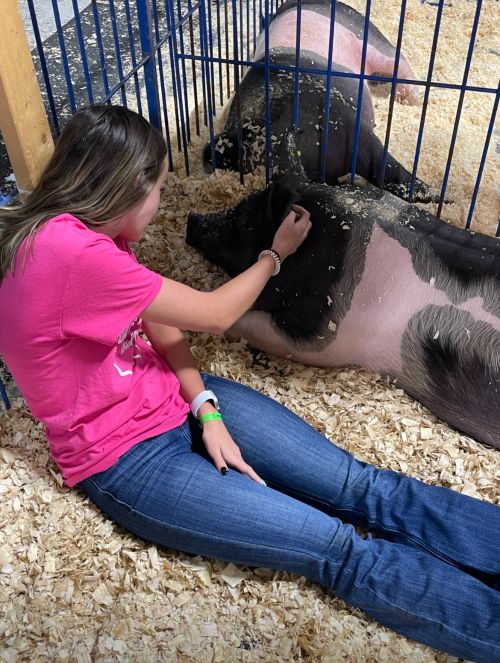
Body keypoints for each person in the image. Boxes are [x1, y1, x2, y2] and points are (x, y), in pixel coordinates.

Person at [0, 104, 498, 663]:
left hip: (179, 399)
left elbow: (158, 321)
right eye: (160, 188)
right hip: (127, 460)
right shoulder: (67, 253)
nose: (162, 202)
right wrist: (274, 256)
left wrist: (206, 409)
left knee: (368, 488)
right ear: (125, 186)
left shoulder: (88, 233)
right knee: (339, 549)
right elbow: (212, 314)